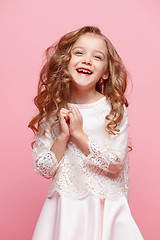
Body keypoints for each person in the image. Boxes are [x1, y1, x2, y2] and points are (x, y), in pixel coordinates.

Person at [28, 26, 144, 240]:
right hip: (64, 209)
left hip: (103, 207)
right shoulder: (54, 110)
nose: (87, 60)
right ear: (65, 61)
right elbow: (44, 168)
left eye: (97, 56)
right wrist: (63, 137)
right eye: (79, 52)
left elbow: (114, 164)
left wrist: (79, 135)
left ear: (106, 71)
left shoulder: (113, 109)